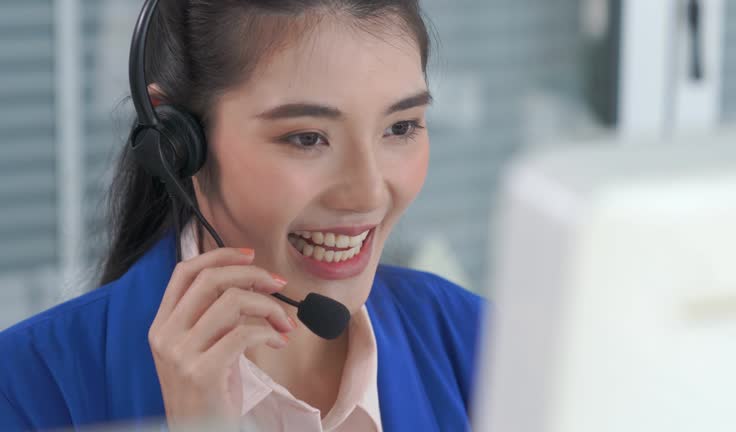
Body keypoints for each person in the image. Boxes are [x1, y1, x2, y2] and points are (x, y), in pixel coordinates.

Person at [0, 1, 484, 430]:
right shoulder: (23, 393)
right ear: (177, 144)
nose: (367, 194)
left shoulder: (479, 344)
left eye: (400, 127)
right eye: (307, 138)